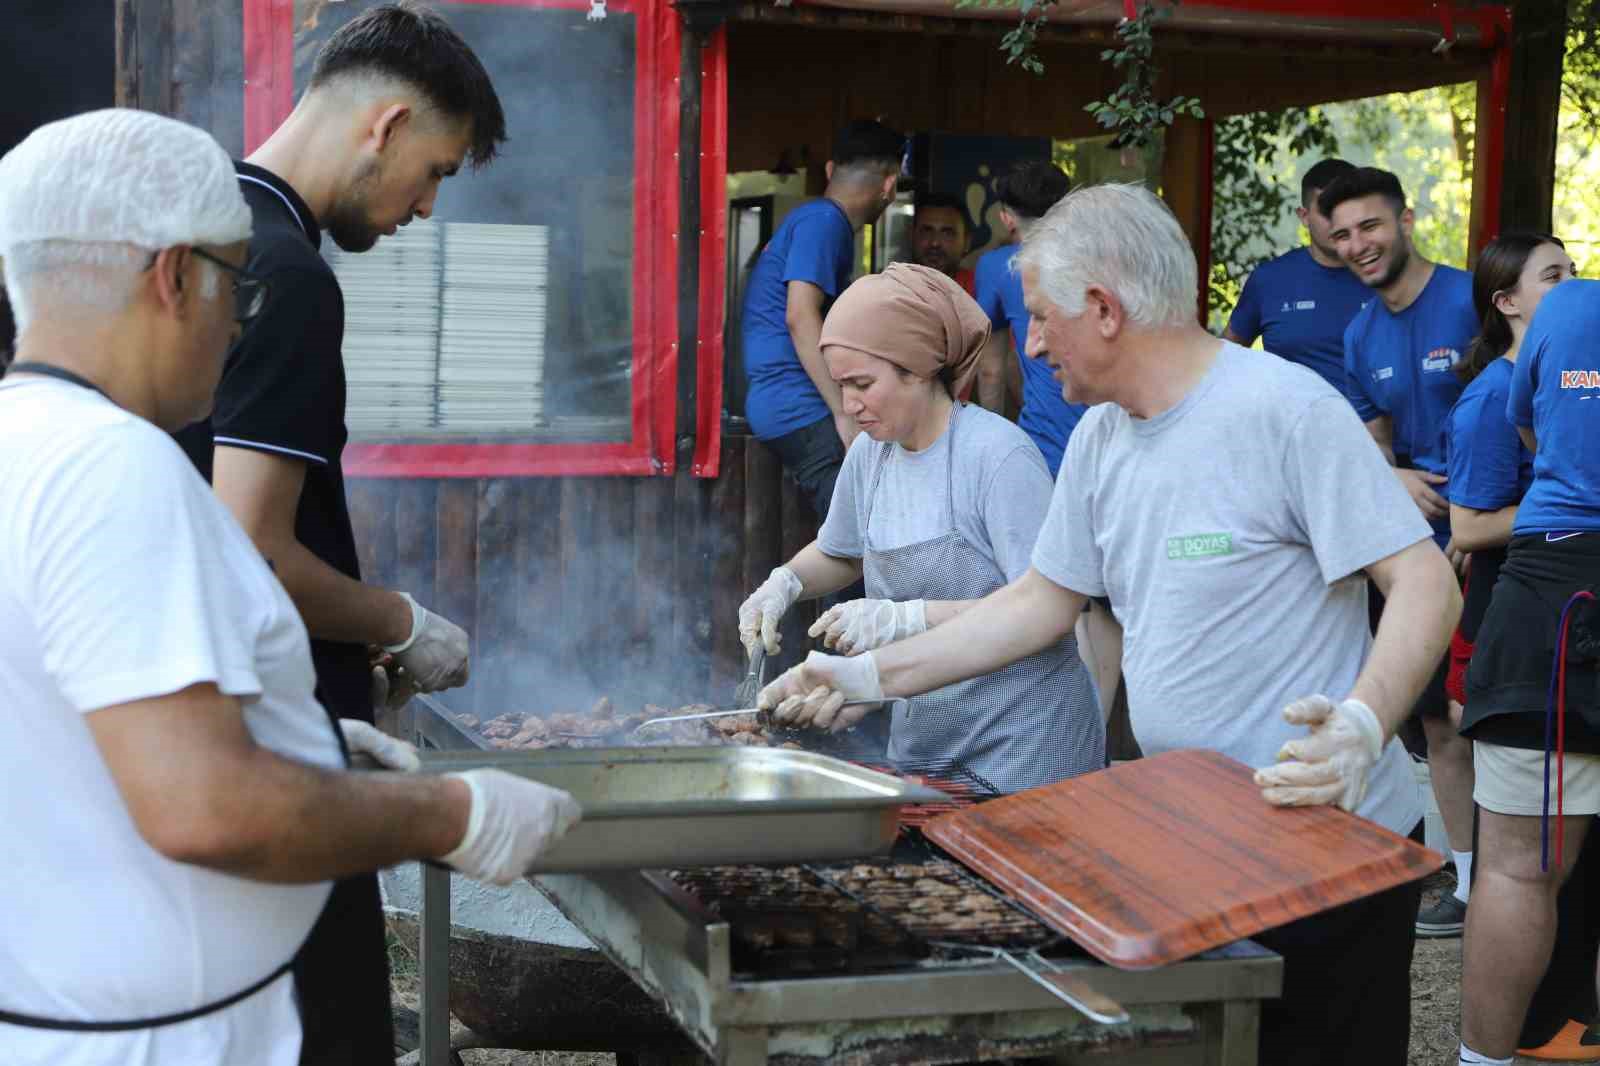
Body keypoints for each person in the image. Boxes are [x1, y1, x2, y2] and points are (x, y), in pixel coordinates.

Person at [759, 183, 1460, 1065]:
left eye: (1043, 319)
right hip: (1191, 837)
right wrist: (863, 677)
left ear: (1105, 308)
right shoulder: (1099, 439)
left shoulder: (1286, 408)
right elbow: (1036, 604)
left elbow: (1426, 582)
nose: (1033, 343)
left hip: (1331, 846)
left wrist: (1362, 723)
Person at [0, 108, 578, 1066]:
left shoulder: (25, 443)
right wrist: (456, 814)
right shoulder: (115, 469)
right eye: (239, 288)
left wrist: (294, 738)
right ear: (175, 276)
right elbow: (207, 808)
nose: (239, 323)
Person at [172, 5, 507, 1061]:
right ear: (389, 122)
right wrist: (404, 620)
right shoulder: (290, 275)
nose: (426, 205)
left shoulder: (198, 227)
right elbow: (251, 545)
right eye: (437, 169)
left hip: (195, 727)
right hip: (278, 754)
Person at [736, 263, 1103, 791]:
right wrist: (784, 583)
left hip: (1026, 749)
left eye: (863, 384)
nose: (848, 404)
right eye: (841, 386)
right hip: (927, 744)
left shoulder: (998, 456)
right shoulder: (871, 453)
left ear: (918, 368)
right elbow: (841, 552)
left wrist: (905, 620)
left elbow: (1043, 611)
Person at [1321, 165, 1478, 937]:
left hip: (1493, 539)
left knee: (1497, 718)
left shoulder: (1468, 299)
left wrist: (1483, 517)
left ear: (1406, 220)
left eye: (1370, 227)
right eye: (1342, 233)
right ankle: (1473, 883)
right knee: (1436, 721)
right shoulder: (1360, 333)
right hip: (1416, 547)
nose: (1358, 245)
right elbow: (1374, 445)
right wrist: (1397, 476)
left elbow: (1521, 409)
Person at [1457, 276, 1600, 1066]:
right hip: (1557, 591)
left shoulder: (1572, 307)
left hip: (1554, 583)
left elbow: (1530, 426)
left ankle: (1482, 1064)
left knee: (1516, 869)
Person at [1435, 234, 1574, 943]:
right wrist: (1581, 498)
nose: (1573, 285)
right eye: (1554, 276)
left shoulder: (1573, 379)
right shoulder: (1490, 398)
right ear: (1507, 302)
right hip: (1510, 614)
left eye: (1573, 270)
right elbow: (1471, 524)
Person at [741, 119, 904, 520]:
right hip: (798, 404)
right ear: (890, 185)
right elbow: (800, 315)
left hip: (782, 401)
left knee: (853, 533)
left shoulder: (814, 219)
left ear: (830, 171)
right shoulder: (823, 222)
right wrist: (843, 411)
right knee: (854, 535)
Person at [1223, 157, 1371, 395]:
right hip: (1286, 429)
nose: (1338, 222)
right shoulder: (1269, 281)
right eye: (1327, 211)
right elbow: (1226, 362)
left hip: (1371, 430)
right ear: (1304, 216)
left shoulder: (1386, 278)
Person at [911, 192, 976, 296]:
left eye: (947, 233)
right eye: (927, 231)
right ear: (912, 236)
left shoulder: (981, 290)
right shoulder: (893, 288)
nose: (935, 243)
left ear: (966, 242)